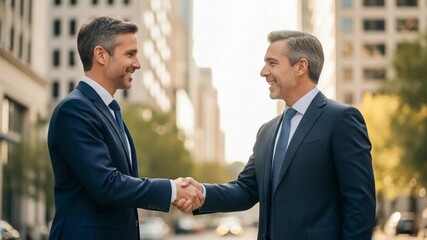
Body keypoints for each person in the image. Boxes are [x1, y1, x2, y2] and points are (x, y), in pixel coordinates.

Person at [178, 30, 376, 239]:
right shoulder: (267, 131)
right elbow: (245, 190)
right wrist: (201, 191)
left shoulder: (341, 120)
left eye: (272, 63)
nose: (263, 72)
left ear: (300, 67)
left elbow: (360, 203)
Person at [47, 16, 203, 240]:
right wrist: (172, 189)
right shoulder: (74, 110)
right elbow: (106, 185)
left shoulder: (110, 110)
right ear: (101, 55)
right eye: (130, 54)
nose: (137, 63)